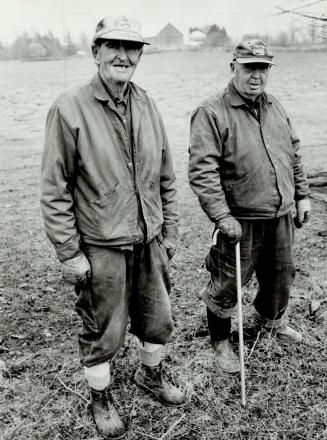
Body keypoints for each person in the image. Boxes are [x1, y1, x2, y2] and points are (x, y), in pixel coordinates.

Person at [41, 15, 186, 440]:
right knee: (103, 327)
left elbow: (166, 175)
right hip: (101, 242)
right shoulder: (68, 108)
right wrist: (69, 251)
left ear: (140, 55)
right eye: (113, 46)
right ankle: (100, 397)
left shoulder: (147, 103)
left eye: (133, 47)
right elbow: (54, 188)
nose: (124, 55)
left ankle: (150, 375)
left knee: (157, 318)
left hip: (150, 237)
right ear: (96, 52)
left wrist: (170, 230)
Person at [188, 39, 311, 373]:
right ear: (233, 67)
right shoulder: (211, 112)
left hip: (281, 214)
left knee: (280, 276)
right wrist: (222, 216)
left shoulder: (276, 107)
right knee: (226, 284)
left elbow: (294, 153)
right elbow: (202, 172)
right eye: (249, 67)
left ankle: (272, 324)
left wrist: (301, 195)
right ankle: (222, 344)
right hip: (239, 220)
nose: (256, 75)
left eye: (263, 68)